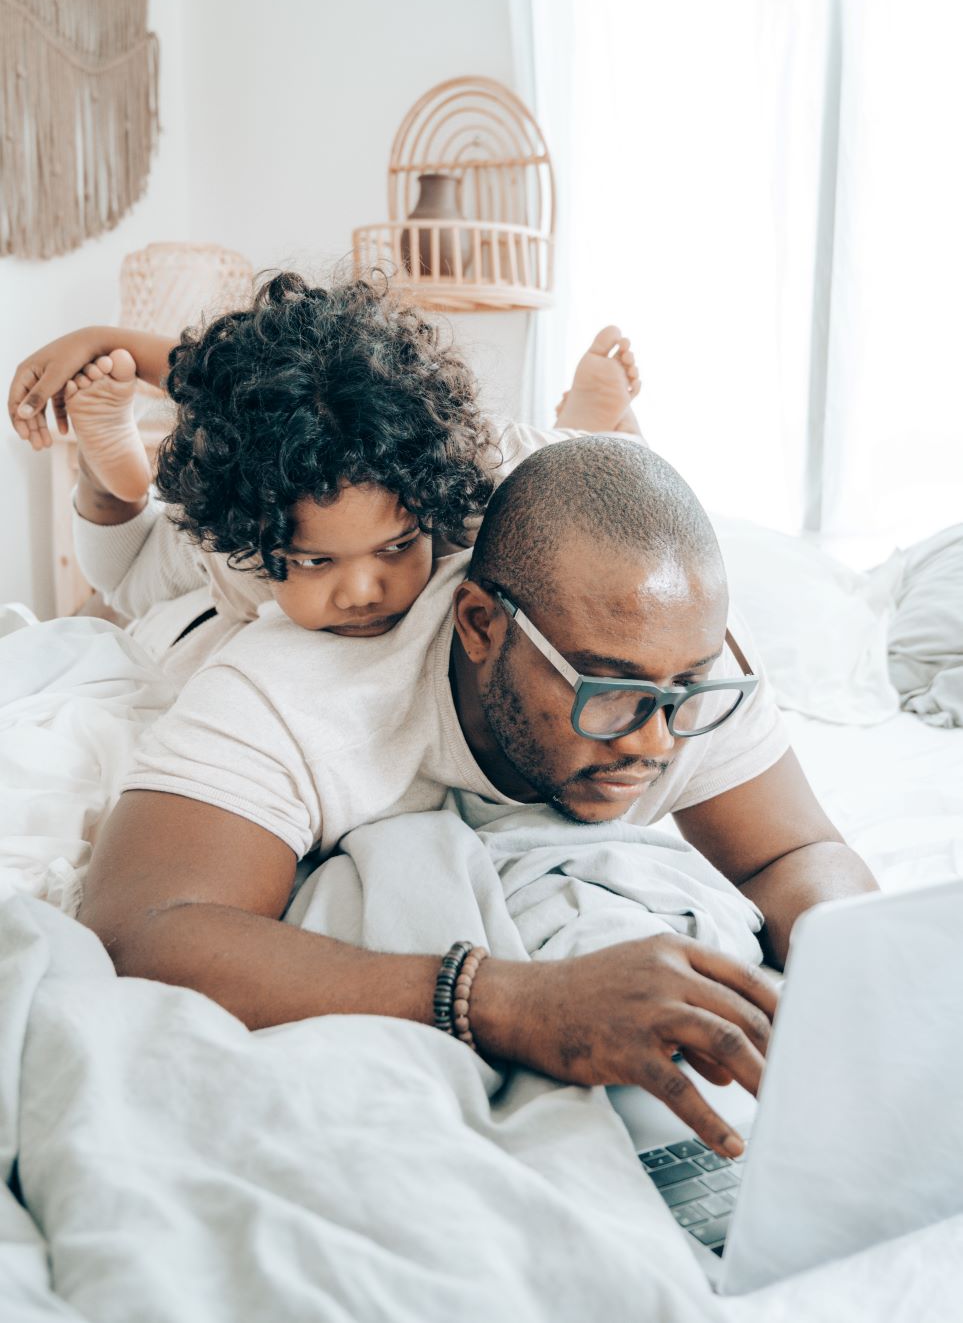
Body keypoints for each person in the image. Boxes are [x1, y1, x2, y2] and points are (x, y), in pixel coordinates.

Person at [77, 435, 878, 1158]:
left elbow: (797, 851)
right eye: (607, 690)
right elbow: (139, 930)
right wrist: (513, 1002)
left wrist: (840, 972)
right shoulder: (294, 691)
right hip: (191, 630)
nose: (652, 742)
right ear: (480, 625)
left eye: (685, 690)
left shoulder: (679, 662)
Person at [6, 275, 641, 641]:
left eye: (395, 547)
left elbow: (631, 499)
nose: (363, 592)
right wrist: (105, 340)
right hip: (244, 513)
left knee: (570, 467)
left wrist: (620, 430)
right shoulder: (237, 549)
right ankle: (109, 476)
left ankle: (582, 418)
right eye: (315, 561)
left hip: (481, 462)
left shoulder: (470, 478)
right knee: (126, 582)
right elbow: (223, 380)